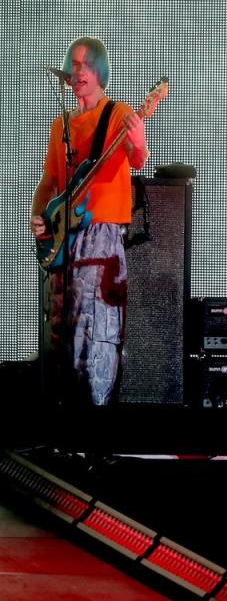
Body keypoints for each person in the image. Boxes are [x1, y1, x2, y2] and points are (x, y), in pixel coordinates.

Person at [31, 36, 150, 406]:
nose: (79, 71)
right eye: (75, 64)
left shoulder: (116, 113)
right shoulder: (61, 125)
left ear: (100, 72)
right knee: (60, 331)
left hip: (100, 238)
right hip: (64, 240)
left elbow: (137, 160)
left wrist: (140, 140)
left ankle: (94, 428)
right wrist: (40, 218)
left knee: (95, 332)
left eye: (86, 64)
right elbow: (50, 182)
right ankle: (63, 425)